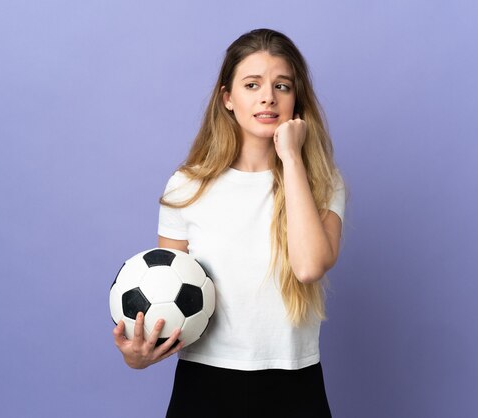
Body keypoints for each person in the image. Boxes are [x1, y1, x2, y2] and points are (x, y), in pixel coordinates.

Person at [112, 28, 347, 417]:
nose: (268, 96)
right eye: (252, 84)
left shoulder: (322, 182)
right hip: (206, 386)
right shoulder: (187, 186)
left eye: (282, 86)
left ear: (296, 99)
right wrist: (139, 357)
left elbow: (308, 267)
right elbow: (166, 306)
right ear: (228, 99)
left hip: (295, 384)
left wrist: (290, 158)